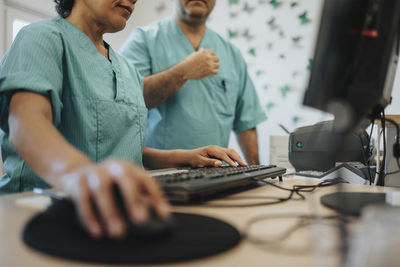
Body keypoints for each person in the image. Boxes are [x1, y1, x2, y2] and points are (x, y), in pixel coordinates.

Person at [0, 0, 246, 238]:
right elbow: (26, 124)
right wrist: (79, 174)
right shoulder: (41, 38)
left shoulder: (127, 69)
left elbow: (119, 147)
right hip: (35, 214)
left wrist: (183, 157)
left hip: (119, 213)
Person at [120, 0, 266, 165]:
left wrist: (257, 175)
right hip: (159, 174)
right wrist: (183, 71)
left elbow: (246, 123)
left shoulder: (232, 54)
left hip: (218, 174)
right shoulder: (143, 40)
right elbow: (127, 101)